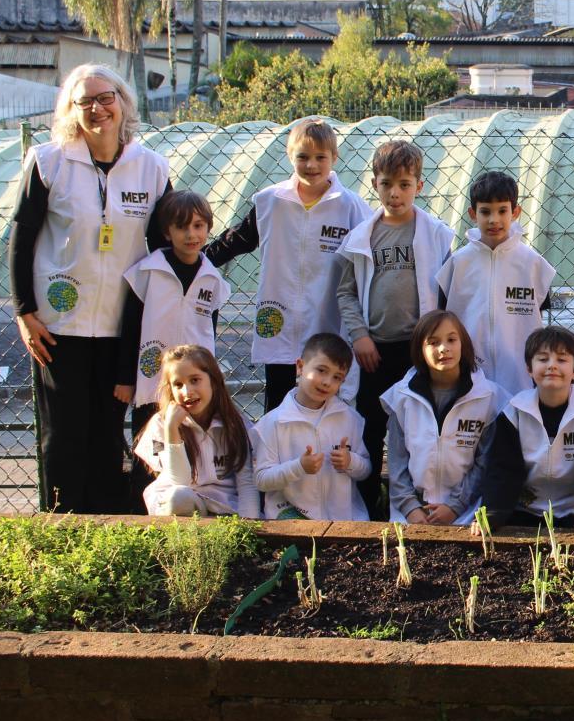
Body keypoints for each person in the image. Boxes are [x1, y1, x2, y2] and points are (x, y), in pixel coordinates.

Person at [10, 63, 171, 513]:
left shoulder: (152, 168)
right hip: (59, 325)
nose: (97, 109)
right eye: (85, 101)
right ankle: (61, 521)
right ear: (71, 110)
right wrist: (25, 312)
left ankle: (105, 524)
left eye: (106, 98)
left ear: (122, 102)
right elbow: (22, 239)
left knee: (106, 432)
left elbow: (164, 250)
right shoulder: (47, 162)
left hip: (120, 326)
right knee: (64, 433)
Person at [206, 118, 370, 413]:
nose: (311, 165)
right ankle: (274, 457)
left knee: (325, 399)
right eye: (303, 157)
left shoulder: (351, 207)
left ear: (335, 157)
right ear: (289, 155)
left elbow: (371, 256)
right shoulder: (270, 201)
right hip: (278, 318)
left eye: (321, 157)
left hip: (327, 320)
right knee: (279, 402)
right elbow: (236, 240)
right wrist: (195, 259)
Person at [334, 139, 454, 520]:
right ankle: (367, 507)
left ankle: (420, 503)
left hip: (418, 351)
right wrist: (360, 336)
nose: (395, 193)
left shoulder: (436, 234)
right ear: (374, 184)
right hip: (375, 351)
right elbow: (346, 292)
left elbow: (449, 293)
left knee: (418, 430)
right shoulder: (362, 237)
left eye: (404, 184)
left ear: (419, 185)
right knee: (369, 429)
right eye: (387, 184)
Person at [477, 327, 574, 539]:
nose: (552, 366)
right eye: (543, 359)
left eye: (561, 359)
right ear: (529, 369)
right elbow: (502, 468)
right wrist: (493, 512)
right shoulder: (514, 412)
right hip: (525, 510)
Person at [117, 191, 230, 444]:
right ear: (167, 233)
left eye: (198, 226)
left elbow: (208, 332)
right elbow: (131, 327)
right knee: (151, 450)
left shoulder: (212, 279)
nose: (191, 235)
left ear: (209, 229)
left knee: (190, 448)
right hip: (153, 382)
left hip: (192, 386)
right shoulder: (148, 272)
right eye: (181, 227)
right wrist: (125, 379)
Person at [380, 310, 507, 525]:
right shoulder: (401, 397)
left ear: (463, 344)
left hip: (467, 512)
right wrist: (411, 508)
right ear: (420, 349)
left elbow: (485, 463)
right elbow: (396, 460)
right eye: (433, 342)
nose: (443, 348)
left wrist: (455, 507)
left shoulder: (489, 398)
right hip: (411, 514)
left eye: (451, 340)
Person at [435, 170, 555, 394]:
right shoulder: (457, 264)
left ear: (515, 212)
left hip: (520, 377)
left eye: (502, 210)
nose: (494, 220)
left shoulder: (533, 264)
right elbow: (444, 316)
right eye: (485, 211)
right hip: (469, 376)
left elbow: (540, 308)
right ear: (472, 213)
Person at [253, 333, 370, 521]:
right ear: (300, 367)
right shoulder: (273, 422)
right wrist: (298, 467)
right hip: (291, 521)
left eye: (337, 377)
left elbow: (365, 469)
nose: (327, 382)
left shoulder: (350, 419)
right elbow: (262, 480)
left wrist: (351, 462)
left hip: (345, 520)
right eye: (321, 370)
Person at [131, 344, 258, 517]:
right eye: (178, 384)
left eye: (195, 380)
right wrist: (171, 430)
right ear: (170, 389)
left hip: (225, 507)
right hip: (181, 506)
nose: (187, 391)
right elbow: (179, 482)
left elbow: (247, 483)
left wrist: (250, 530)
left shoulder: (236, 424)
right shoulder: (160, 426)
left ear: (213, 381)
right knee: (180, 497)